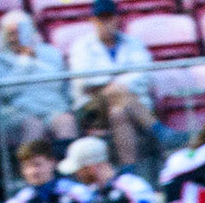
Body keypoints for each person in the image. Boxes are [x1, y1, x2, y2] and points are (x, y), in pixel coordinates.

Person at [68, 0, 158, 166]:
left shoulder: (134, 43)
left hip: (129, 104)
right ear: (93, 21)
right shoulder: (82, 46)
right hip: (93, 107)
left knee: (118, 112)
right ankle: (157, 130)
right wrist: (118, 84)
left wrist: (113, 84)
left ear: (117, 19)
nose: (105, 23)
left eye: (109, 18)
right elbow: (87, 81)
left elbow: (143, 74)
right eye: (101, 19)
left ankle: (129, 169)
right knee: (116, 93)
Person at [0, 11, 80, 154]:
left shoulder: (51, 53)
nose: (14, 38)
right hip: (19, 114)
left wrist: (34, 60)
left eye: (18, 32)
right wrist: (24, 61)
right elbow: (5, 92)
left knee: (65, 121)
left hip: (51, 109)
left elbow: (56, 84)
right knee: (34, 125)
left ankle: (66, 172)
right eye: (10, 34)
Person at [60, 134, 162, 203]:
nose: (77, 175)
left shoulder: (132, 186)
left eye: (79, 170)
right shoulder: (91, 194)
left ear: (91, 167)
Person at [0, 139, 91, 203]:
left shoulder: (77, 193)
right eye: (26, 167)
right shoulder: (19, 202)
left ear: (52, 162)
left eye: (37, 165)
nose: (33, 172)